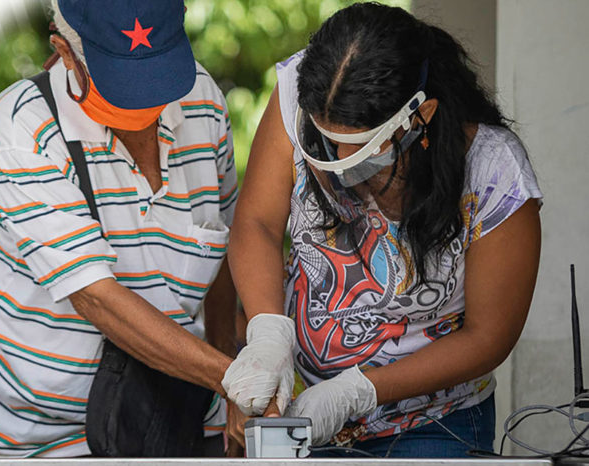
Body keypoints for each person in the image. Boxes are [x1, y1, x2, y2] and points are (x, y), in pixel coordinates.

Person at [222, 2, 542, 458]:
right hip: (297, 409)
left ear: (421, 116)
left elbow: (488, 336)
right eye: (325, 142)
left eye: (358, 152)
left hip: (436, 425)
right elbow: (257, 224)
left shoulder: (495, 176)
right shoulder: (298, 93)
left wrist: (356, 391)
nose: (336, 160)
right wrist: (268, 334)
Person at [0, 0, 238, 458]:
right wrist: (232, 378)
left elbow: (229, 241)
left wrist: (234, 366)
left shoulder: (202, 99)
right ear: (65, 53)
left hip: (184, 418)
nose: (147, 100)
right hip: (47, 441)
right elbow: (94, 295)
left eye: (157, 77)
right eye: (125, 85)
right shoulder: (25, 122)